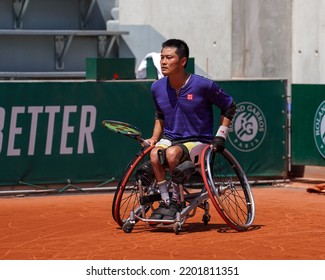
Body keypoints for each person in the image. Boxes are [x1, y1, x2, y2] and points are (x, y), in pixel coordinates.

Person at [145, 39, 236, 220]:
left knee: (171, 154)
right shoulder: (156, 87)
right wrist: (154, 138)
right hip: (171, 138)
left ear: (183, 61)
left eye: (169, 58)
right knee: (154, 154)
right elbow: (160, 115)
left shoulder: (203, 85)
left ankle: (177, 200)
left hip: (198, 140)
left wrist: (221, 136)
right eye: (162, 57)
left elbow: (229, 106)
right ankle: (165, 200)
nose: (163, 62)